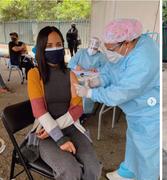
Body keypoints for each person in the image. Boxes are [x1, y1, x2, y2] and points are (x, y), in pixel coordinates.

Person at [74, 19, 159, 180]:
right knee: (134, 142)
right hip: (137, 111)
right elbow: (113, 69)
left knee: (147, 153)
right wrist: (98, 80)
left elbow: (121, 92)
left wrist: (91, 94)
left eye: (111, 49)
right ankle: (129, 171)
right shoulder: (130, 47)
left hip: (149, 113)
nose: (109, 53)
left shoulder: (144, 59)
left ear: (125, 43)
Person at [27, 26, 101, 180]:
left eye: (58, 44)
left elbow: (78, 109)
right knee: (71, 170)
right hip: (44, 133)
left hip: (70, 128)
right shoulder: (34, 74)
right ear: (41, 48)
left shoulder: (70, 74)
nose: (55, 49)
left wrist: (56, 128)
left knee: (93, 167)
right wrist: (59, 137)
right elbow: (39, 111)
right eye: (49, 46)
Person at [68, 37, 107, 114]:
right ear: (88, 45)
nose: (92, 50)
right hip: (78, 76)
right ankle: (72, 107)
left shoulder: (100, 56)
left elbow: (106, 68)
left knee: (87, 88)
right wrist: (76, 67)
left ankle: (86, 112)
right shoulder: (81, 52)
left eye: (95, 48)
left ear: (98, 48)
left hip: (91, 79)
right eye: (91, 47)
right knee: (73, 87)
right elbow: (70, 63)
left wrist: (97, 69)